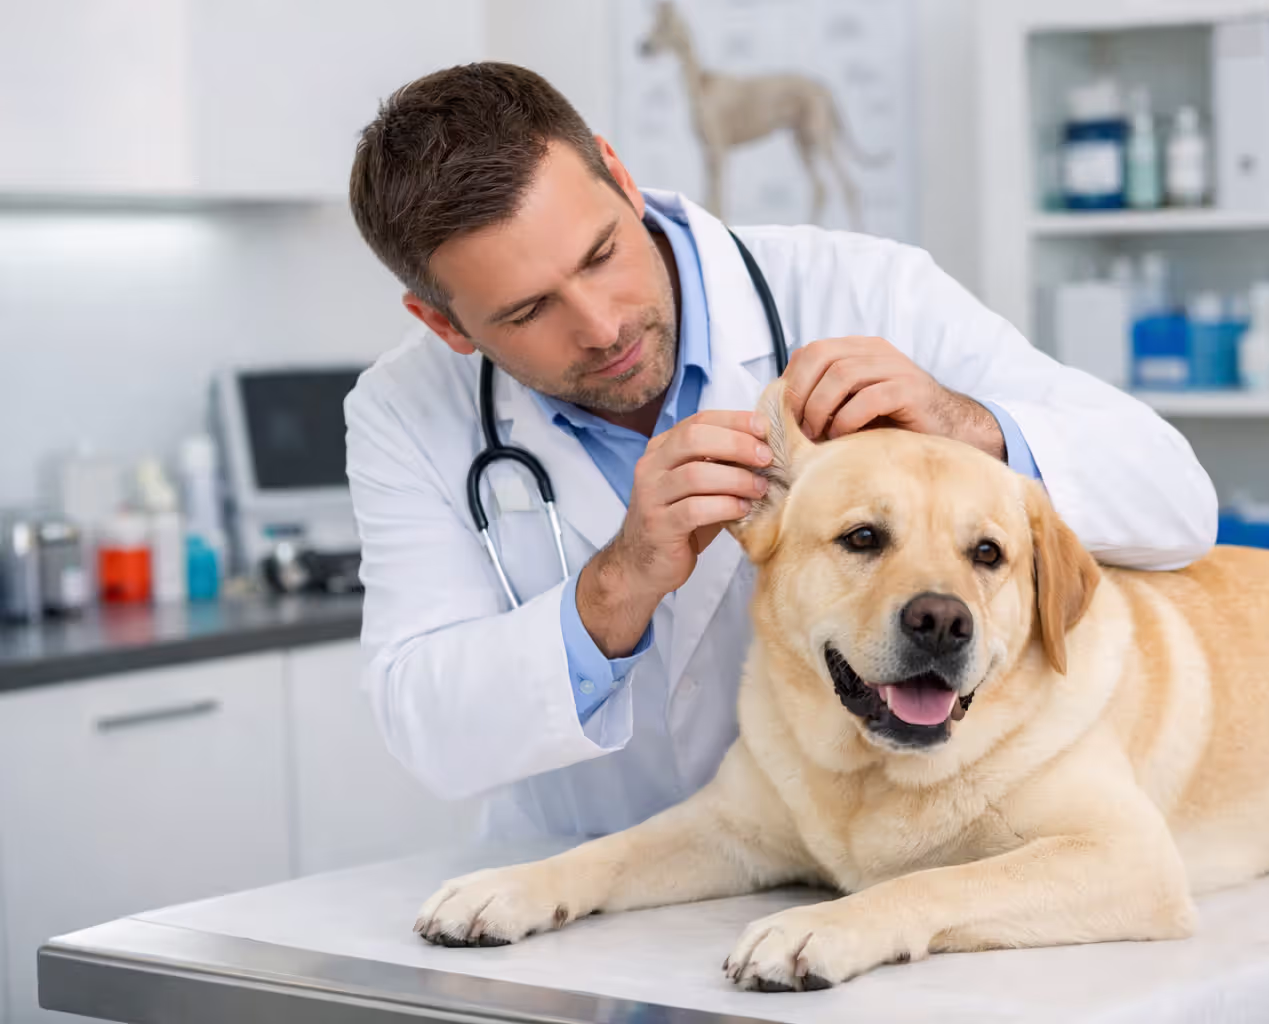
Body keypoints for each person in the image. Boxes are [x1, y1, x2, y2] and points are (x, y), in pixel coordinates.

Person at [344, 63, 1217, 840]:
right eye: (528, 311)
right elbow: (429, 727)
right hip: (589, 886)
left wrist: (964, 422)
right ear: (444, 323)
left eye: (604, 254)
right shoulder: (403, 411)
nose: (602, 324)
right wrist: (620, 582)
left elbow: (1178, 503)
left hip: (875, 870)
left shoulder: (865, 288)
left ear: (620, 174)